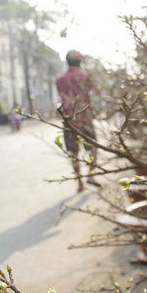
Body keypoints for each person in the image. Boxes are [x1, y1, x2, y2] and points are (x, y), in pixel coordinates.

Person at [56, 49, 100, 192]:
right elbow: (96, 91)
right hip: (85, 119)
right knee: (92, 148)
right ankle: (91, 175)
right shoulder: (85, 76)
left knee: (74, 153)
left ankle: (80, 183)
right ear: (80, 62)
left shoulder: (59, 79)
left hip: (69, 121)